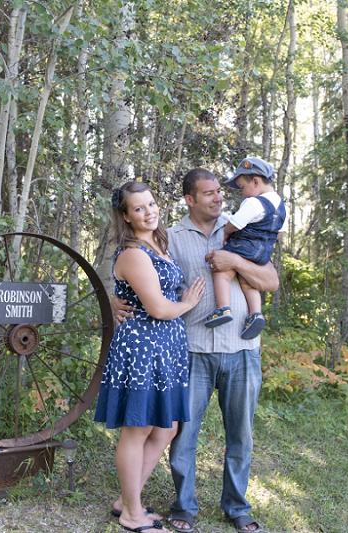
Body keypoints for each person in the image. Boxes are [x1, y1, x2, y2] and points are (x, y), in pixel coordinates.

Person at [111, 168, 279, 533]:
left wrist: (234, 261)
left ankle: (237, 508)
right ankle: (183, 507)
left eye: (221, 192)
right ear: (190, 199)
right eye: (209, 193)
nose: (219, 198)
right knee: (180, 434)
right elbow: (145, 281)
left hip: (242, 348)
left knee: (241, 434)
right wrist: (115, 298)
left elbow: (271, 281)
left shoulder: (242, 230)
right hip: (191, 350)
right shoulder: (170, 238)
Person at [95, 180, 206, 533]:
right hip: (142, 349)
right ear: (125, 217)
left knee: (166, 427)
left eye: (152, 204)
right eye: (138, 208)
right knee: (138, 428)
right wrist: (187, 303)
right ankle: (131, 514)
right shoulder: (133, 253)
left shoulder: (159, 244)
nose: (148, 212)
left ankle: (127, 500)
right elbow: (157, 308)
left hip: (166, 349)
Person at [204, 157, 287, 341]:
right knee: (248, 283)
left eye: (242, 187)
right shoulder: (281, 206)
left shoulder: (254, 203)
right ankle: (256, 314)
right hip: (263, 251)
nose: (243, 193)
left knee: (222, 273)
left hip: (243, 244)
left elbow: (235, 223)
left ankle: (223, 308)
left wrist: (226, 233)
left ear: (256, 181)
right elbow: (280, 232)